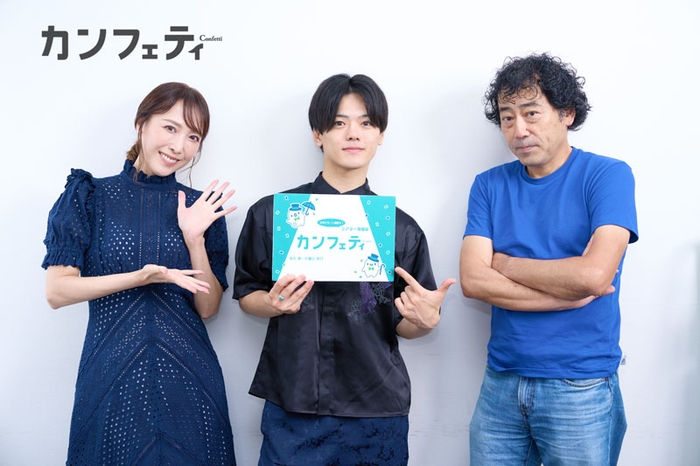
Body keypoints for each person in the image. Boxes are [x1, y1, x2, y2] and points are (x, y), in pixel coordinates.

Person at [233, 73, 455, 465]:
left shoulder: (400, 228)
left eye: (366, 123)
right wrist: (272, 303)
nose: (353, 133)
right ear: (318, 134)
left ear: (380, 135)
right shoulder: (273, 215)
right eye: (339, 122)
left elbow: (404, 324)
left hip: (376, 408)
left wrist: (424, 321)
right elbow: (247, 293)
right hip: (293, 404)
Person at [42, 82, 238, 465]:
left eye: (193, 136)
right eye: (170, 127)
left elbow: (208, 308)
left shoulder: (202, 208)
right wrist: (140, 277)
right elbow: (57, 292)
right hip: (111, 377)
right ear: (141, 123)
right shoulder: (90, 195)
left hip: (189, 381)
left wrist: (194, 237)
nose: (179, 145)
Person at [459, 53, 638, 465]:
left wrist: (503, 264)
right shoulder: (488, 185)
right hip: (501, 381)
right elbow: (473, 280)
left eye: (531, 113)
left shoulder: (608, 176)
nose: (518, 130)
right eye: (507, 118)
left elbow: (593, 276)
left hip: (580, 385)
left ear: (567, 113)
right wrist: (564, 294)